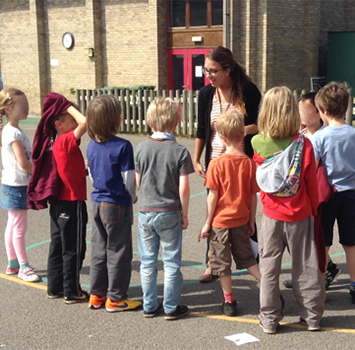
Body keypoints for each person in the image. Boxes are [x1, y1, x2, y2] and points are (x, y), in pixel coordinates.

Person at [252, 86, 325, 334]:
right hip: (300, 212)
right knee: (305, 266)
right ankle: (312, 316)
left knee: (270, 268)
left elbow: (259, 181)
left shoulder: (257, 142)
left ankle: (270, 319)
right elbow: (311, 184)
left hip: (271, 214)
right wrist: (314, 209)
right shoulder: (304, 145)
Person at [194, 45, 261, 283]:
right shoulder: (206, 95)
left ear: (227, 69)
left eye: (212, 71)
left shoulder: (248, 91)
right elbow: (202, 129)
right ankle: (212, 263)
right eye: (206, 70)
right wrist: (197, 158)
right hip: (216, 162)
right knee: (216, 214)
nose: (208, 75)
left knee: (243, 210)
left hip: (242, 161)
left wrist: (236, 132)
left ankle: (251, 256)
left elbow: (258, 125)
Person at [135, 97, 194, 320]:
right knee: (171, 261)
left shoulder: (141, 148)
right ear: (177, 122)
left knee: (148, 261)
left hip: (146, 210)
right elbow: (184, 188)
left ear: (149, 121)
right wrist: (185, 213)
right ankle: (170, 306)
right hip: (169, 211)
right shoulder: (179, 151)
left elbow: (138, 181)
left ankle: (149, 304)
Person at [198, 110, 261, 317]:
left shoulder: (216, 164)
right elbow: (253, 196)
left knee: (222, 264)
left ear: (221, 138)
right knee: (248, 259)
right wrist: (251, 220)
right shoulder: (249, 163)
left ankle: (229, 300)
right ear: (242, 135)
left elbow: (212, 197)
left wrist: (207, 223)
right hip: (242, 219)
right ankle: (267, 286)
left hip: (220, 222)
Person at [86, 95, 141, 312]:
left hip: (98, 202)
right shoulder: (123, 146)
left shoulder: (91, 145)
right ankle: (116, 298)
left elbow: (91, 172)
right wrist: (132, 196)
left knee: (99, 249)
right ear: (114, 120)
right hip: (116, 203)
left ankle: (97, 294)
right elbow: (128, 176)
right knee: (119, 250)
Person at [283, 92, 340, 289]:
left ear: (316, 111)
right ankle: (318, 270)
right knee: (302, 238)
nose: (298, 114)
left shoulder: (324, 137)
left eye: (302, 110)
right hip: (302, 195)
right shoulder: (300, 135)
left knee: (317, 238)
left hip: (322, 196)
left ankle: (319, 274)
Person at [312, 82, 355, 304]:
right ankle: (354, 286)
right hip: (351, 194)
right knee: (351, 244)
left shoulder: (320, 137)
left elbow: (314, 168)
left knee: (324, 242)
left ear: (324, 111)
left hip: (328, 195)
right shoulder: (353, 134)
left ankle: (320, 288)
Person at [46, 93, 88, 304]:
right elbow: (86, 123)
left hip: (58, 202)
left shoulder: (57, 142)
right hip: (72, 201)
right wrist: (68, 106)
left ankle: (54, 287)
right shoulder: (64, 140)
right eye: (72, 119)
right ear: (59, 124)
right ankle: (71, 290)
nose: (76, 121)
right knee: (74, 247)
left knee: (58, 245)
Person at [0, 88, 39, 282]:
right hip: (16, 185)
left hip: (10, 183)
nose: (26, 109)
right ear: (8, 109)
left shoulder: (11, 130)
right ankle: (23, 266)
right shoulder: (12, 132)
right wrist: (39, 172)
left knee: (12, 224)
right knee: (19, 227)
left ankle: (13, 263)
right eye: (22, 106)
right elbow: (23, 163)